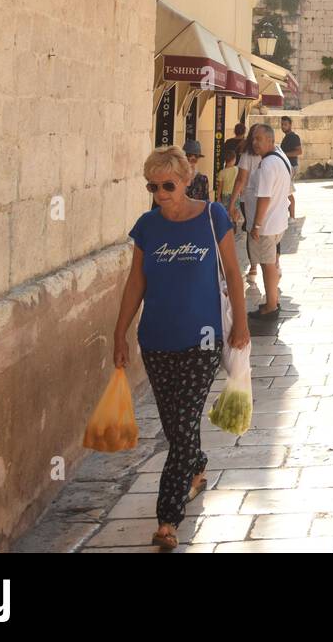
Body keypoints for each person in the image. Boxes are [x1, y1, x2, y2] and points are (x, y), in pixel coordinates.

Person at [114, 146, 248, 549]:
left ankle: (168, 519)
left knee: (184, 425)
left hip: (203, 340)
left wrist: (241, 323)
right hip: (156, 339)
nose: (160, 193)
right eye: (152, 186)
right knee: (177, 426)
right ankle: (198, 464)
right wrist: (120, 332)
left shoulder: (212, 217)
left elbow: (233, 275)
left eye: (167, 185)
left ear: (186, 180)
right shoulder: (147, 226)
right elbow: (136, 283)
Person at [247, 125, 292, 318]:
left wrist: (256, 225)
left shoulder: (267, 165)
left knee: (267, 265)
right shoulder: (280, 159)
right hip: (277, 221)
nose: (255, 143)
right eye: (254, 139)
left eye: (259, 139)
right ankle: (273, 301)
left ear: (270, 140)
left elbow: (264, 197)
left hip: (267, 225)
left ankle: (271, 306)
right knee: (271, 262)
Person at [227, 130, 262, 282]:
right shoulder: (271, 154)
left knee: (250, 232)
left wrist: (231, 203)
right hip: (266, 198)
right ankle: (275, 264)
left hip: (248, 199)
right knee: (271, 232)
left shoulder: (247, 156)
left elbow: (241, 180)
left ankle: (253, 268)